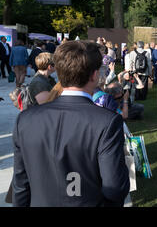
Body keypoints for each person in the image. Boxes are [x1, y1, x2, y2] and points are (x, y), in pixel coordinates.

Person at [12, 40, 129, 206]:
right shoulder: (107, 122)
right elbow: (115, 188)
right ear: (95, 75)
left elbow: (20, 185)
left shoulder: (25, 120)